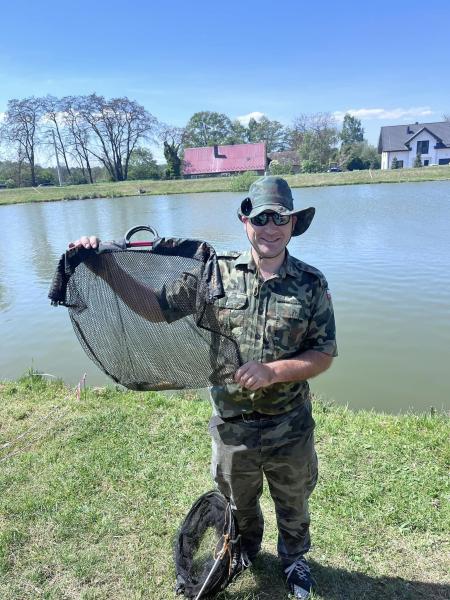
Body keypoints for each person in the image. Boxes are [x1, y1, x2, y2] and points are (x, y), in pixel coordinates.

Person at [70, 176, 337, 599]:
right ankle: (245, 550)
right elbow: (155, 309)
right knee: (239, 503)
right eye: (261, 217)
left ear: (292, 224)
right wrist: (106, 268)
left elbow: (322, 354)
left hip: (290, 423)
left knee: (294, 501)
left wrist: (274, 371)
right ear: (246, 222)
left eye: (280, 219)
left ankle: (294, 560)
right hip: (233, 426)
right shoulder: (212, 274)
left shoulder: (311, 283)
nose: (270, 227)